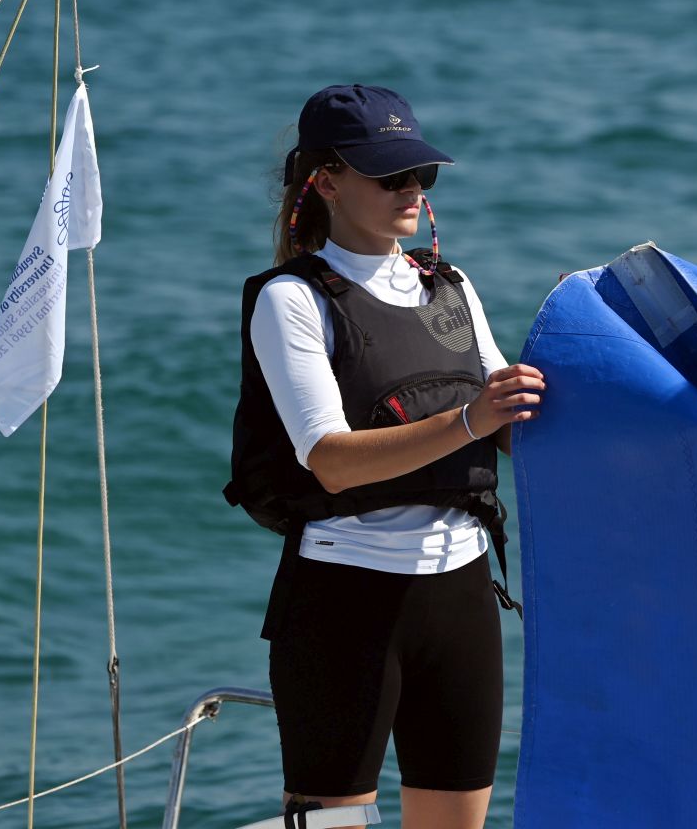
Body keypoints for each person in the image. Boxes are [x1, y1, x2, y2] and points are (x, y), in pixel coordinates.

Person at [225, 84, 545, 829]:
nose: (410, 190)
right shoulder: (293, 299)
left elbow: (505, 424)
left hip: (462, 596)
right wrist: (471, 417)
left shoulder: (452, 285)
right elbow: (330, 459)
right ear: (327, 180)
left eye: (419, 175)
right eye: (389, 175)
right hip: (344, 602)